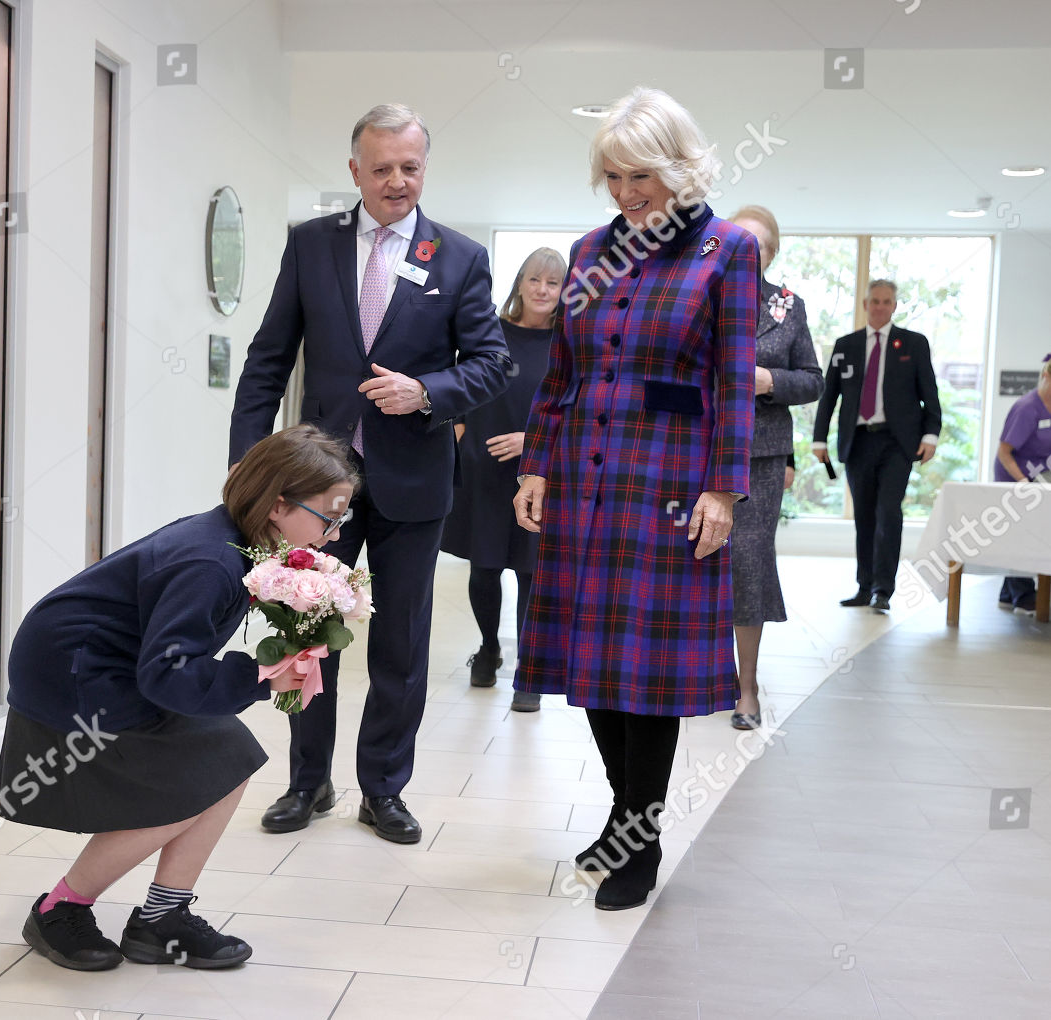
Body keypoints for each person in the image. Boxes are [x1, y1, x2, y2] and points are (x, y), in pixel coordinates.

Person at [229, 104, 509, 845]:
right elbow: (267, 362)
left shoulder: (459, 259)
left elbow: (491, 362)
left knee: (401, 646)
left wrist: (429, 393)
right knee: (302, 634)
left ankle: (383, 789)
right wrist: (247, 475)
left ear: (425, 168)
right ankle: (307, 781)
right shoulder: (310, 247)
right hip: (314, 491)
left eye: (409, 167)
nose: (396, 181)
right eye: (381, 168)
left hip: (414, 486)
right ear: (354, 171)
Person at [512, 86, 758, 911]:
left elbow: (732, 380)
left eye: (638, 175)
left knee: (644, 672)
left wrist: (724, 488)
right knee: (591, 661)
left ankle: (638, 840)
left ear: (679, 166)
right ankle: (626, 817)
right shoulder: (588, 252)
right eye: (611, 177)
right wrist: (537, 464)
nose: (624, 193)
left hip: (670, 483)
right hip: (584, 478)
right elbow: (564, 372)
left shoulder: (725, 250)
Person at [0, 426, 355, 972]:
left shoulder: (239, 540)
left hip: (105, 666)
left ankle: (162, 919)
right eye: (328, 519)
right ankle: (58, 910)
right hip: (74, 675)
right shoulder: (210, 562)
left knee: (229, 760)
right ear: (279, 505)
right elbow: (167, 675)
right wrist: (259, 676)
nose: (333, 535)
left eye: (341, 520)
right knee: (192, 784)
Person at [441, 247, 565, 712]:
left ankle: (528, 671)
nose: (542, 290)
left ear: (564, 292)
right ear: (519, 283)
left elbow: (580, 410)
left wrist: (531, 440)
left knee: (532, 572)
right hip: (483, 470)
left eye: (552, 284)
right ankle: (489, 649)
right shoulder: (490, 333)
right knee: (485, 567)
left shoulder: (568, 343)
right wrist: (457, 431)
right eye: (535, 280)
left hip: (541, 473)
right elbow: (460, 384)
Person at [726, 206, 822, 730]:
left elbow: (812, 379)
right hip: (696, 449)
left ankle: (747, 688)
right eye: (740, 240)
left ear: (771, 253)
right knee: (695, 558)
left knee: (747, 561)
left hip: (759, 456)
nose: (748, 250)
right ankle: (697, 678)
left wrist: (770, 382)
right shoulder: (699, 295)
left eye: (759, 245)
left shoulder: (788, 306)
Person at [813, 280, 942, 612]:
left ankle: (883, 589)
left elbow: (930, 393)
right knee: (865, 516)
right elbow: (829, 397)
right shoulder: (846, 345)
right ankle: (864, 585)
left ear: (894, 306)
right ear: (865, 304)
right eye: (875, 301)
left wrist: (931, 436)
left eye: (887, 302)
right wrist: (819, 437)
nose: (880, 307)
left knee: (888, 511)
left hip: (898, 444)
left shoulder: (913, 343)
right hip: (858, 442)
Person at [994, 353, 1051, 613]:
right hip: (1014, 473)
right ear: (1046, 376)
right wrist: (1023, 482)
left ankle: (1008, 592)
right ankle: (1022, 594)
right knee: (1023, 532)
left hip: (1042, 476)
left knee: (1041, 529)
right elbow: (1004, 452)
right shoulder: (1026, 408)